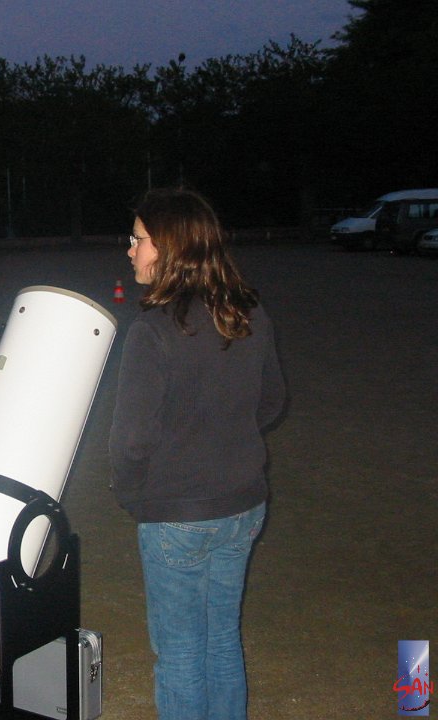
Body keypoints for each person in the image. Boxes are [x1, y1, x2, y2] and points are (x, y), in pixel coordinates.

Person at [108, 188, 286, 720]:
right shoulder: (247, 311)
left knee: (182, 653)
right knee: (222, 640)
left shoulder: (152, 329)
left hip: (178, 515)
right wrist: (225, 437)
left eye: (138, 239)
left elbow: (130, 440)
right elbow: (272, 402)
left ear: (170, 247)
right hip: (243, 505)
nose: (130, 250)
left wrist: (133, 496)